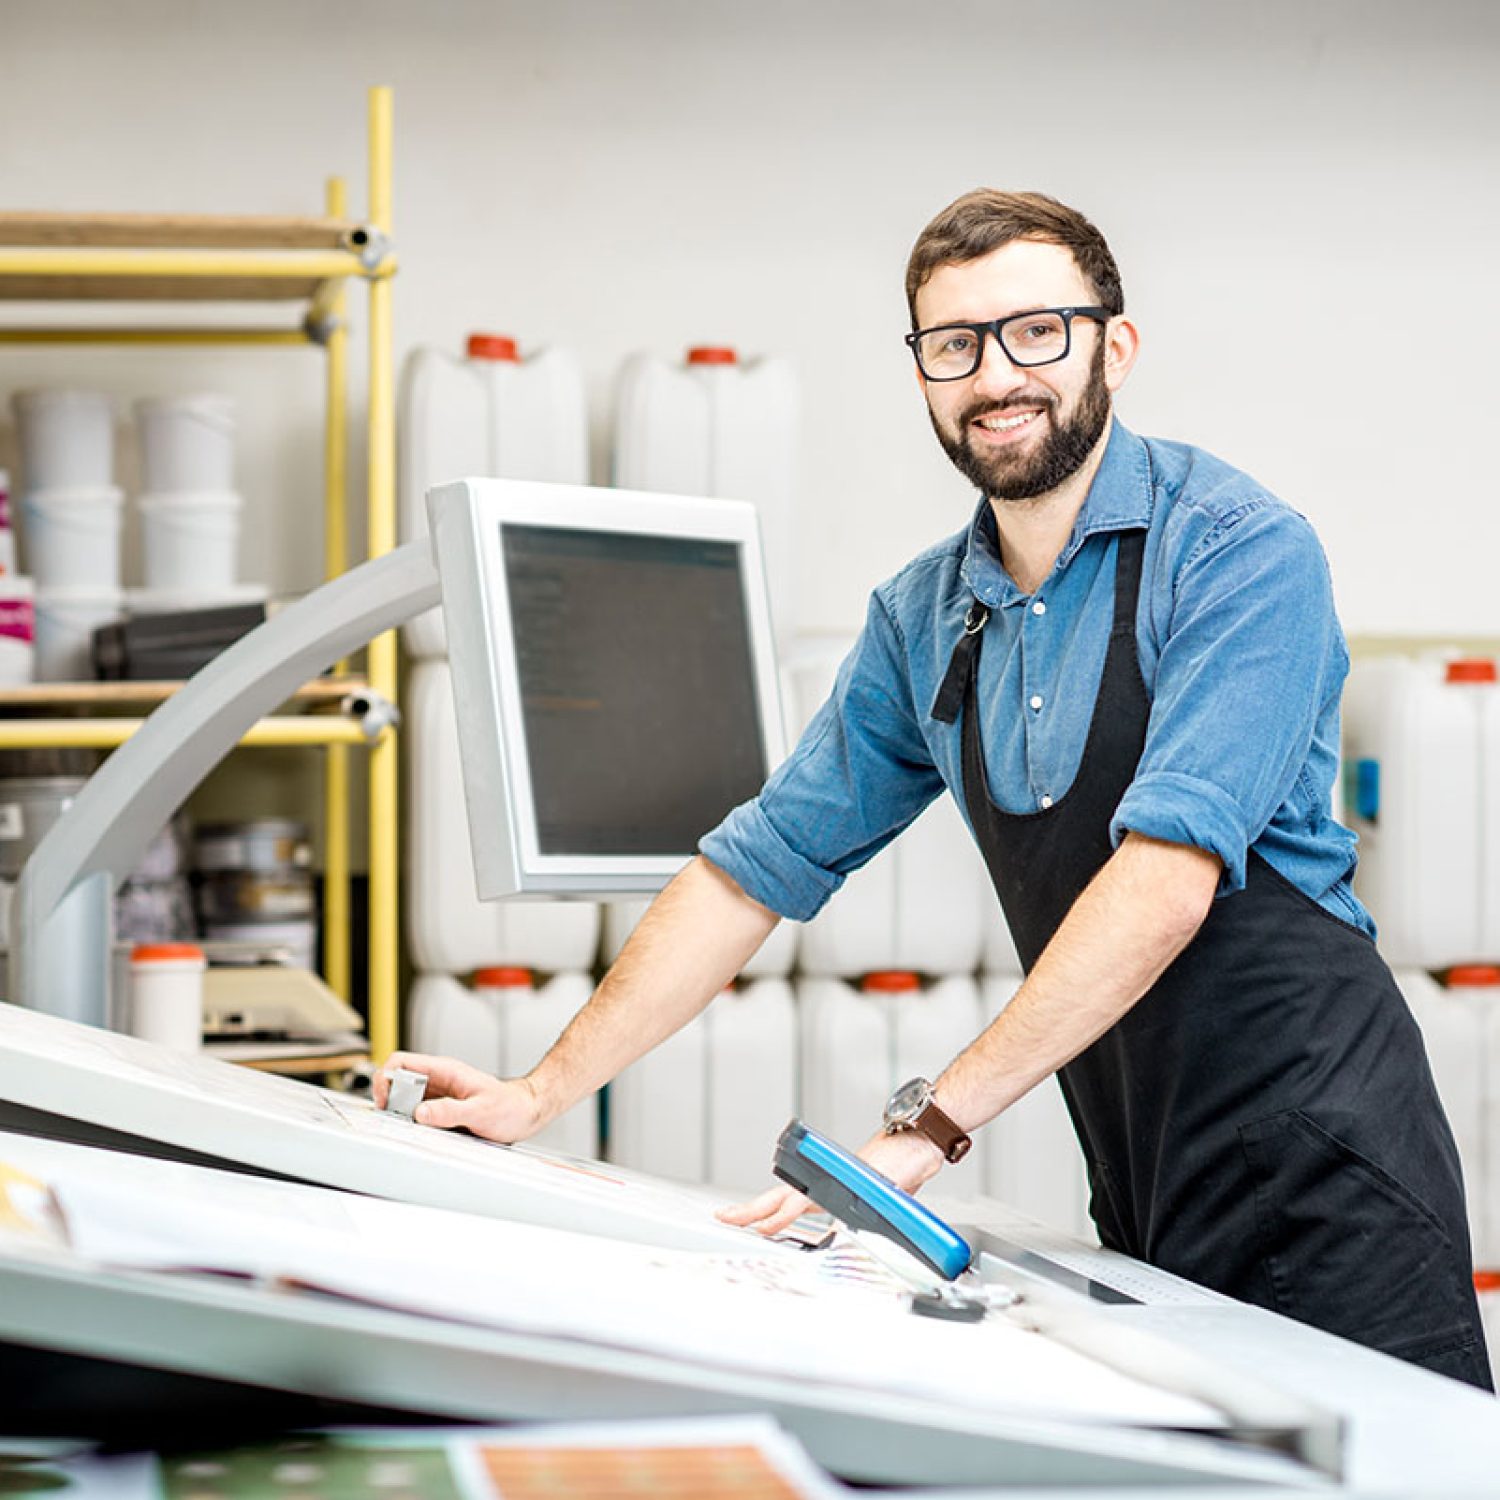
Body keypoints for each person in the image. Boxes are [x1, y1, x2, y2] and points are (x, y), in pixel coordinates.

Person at [379, 189, 1491, 1389]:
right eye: (953, 345)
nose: (996, 375)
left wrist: (925, 1130)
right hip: (1136, 1154)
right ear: (922, 373)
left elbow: (1166, 885)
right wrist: (540, 1090)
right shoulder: (925, 617)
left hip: (1322, 1154)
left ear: (1113, 345)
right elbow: (753, 869)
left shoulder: (1233, 552)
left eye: (1035, 332)